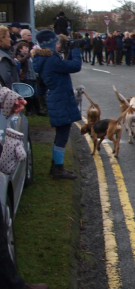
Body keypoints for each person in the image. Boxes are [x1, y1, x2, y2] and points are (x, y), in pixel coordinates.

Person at [32, 30, 81, 179]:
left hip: (57, 98)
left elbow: (67, 64)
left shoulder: (45, 58)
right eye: (57, 42)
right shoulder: (51, 59)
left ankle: (56, 166)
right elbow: (75, 66)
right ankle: (58, 168)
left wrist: (71, 50)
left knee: (61, 133)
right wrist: (76, 50)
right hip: (61, 100)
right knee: (62, 135)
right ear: (51, 44)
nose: (59, 45)